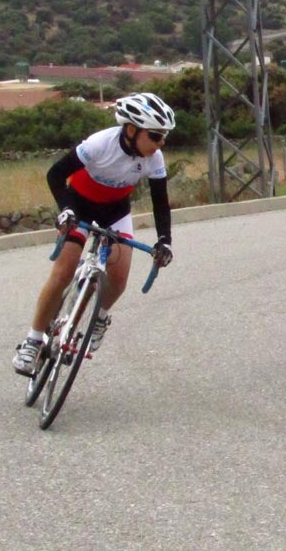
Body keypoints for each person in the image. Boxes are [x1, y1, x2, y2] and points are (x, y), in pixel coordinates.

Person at [12, 93, 176, 375]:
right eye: (155, 136)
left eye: (164, 137)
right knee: (63, 272)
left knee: (120, 279)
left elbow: (160, 202)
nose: (161, 143)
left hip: (115, 211)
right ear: (131, 130)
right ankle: (33, 340)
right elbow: (55, 174)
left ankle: (98, 318)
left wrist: (164, 240)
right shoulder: (101, 144)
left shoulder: (154, 157)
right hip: (80, 205)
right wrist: (65, 210)